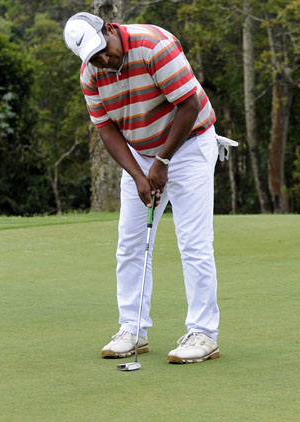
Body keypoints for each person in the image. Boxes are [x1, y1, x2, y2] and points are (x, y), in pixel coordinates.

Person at [63, 12, 230, 364]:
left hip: (190, 144)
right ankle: (132, 329)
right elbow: (106, 129)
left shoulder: (153, 46)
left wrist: (163, 161)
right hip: (140, 153)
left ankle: (204, 333)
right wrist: (140, 174)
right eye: (94, 57)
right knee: (131, 244)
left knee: (193, 242)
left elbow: (189, 105)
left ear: (110, 27)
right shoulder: (91, 73)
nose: (104, 60)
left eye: (104, 51)